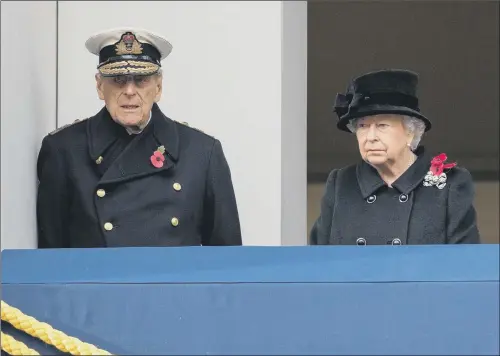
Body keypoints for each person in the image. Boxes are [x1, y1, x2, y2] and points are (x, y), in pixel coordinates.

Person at [36, 28, 242, 247]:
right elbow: (51, 260)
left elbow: (227, 264)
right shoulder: (64, 150)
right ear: (99, 86)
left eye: (141, 80)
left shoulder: (202, 153)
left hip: (173, 281)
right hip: (100, 281)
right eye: (118, 79)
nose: (130, 91)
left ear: (159, 87)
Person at [310, 69, 480, 245]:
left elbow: (464, 263)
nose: (370, 136)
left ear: (410, 132)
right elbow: (318, 260)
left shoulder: (450, 184)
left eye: (382, 125)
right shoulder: (341, 183)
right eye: (362, 126)